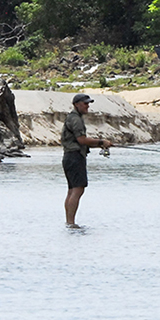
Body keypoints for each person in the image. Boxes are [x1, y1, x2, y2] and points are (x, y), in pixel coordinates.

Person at [61, 93, 112, 228]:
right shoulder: (76, 119)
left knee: (72, 190)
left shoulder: (72, 118)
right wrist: (102, 141)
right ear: (77, 104)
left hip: (69, 157)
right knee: (78, 190)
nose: (88, 106)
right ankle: (71, 223)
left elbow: (81, 142)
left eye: (88, 103)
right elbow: (82, 140)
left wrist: (100, 144)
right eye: (85, 103)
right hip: (75, 157)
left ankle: (69, 223)